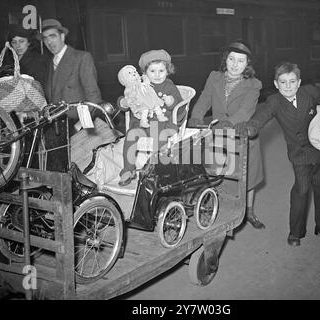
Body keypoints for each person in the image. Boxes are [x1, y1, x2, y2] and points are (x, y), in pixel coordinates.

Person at [235, 62, 320, 246]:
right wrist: (250, 128)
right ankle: (296, 232)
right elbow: (261, 117)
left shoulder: (309, 93)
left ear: (299, 82)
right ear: (276, 84)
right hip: (299, 155)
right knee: (301, 190)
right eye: (283, 82)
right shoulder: (274, 101)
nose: (288, 86)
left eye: (292, 81)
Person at [188, 40, 265, 229]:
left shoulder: (254, 84)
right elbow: (204, 99)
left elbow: (246, 110)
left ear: (247, 64)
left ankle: (249, 212)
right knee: (217, 173)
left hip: (242, 134)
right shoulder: (214, 77)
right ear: (226, 59)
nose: (235, 64)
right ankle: (216, 208)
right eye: (231, 59)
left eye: (240, 61)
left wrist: (229, 122)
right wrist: (196, 117)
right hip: (218, 134)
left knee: (248, 178)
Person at [41, 18, 102, 172]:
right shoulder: (50, 62)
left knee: (79, 172)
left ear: (62, 36)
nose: (49, 42)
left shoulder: (81, 58)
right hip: (56, 129)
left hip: (77, 128)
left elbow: (94, 97)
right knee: (59, 172)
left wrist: (80, 125)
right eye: (45, 38)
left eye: (52, 36)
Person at [118, 49, 183, 186]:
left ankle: (157, 168)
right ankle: (128, 169)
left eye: (161, 71)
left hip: (162, 123)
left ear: (168, 71)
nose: (157, 75)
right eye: (152, 71)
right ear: (144, 73)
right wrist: (123, 103)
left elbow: (180, 105)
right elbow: (128, 98)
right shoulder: (138, 86)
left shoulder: (169, 86)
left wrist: (171, 101)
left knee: (159, 135)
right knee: (131, 135)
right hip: (142, 124)